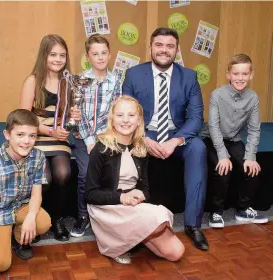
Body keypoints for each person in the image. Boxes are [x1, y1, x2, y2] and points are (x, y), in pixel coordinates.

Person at [123, 27, 209, 251]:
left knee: (198, 147)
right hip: (144, 134)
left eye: (170, 46)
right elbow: (125, 114)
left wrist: (175, 141)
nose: (164, 50)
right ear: (150, 47)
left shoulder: (189, 76)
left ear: (177, 50)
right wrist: (143, 139)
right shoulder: (133, 74)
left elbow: (196, 117)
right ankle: (131, 225)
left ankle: (192, 224)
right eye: (159, 45)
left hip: (174, 136)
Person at [86, 96, 184, 264]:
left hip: (132, 205)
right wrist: (122, 197)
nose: (125, 120)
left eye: (131, 115)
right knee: (160, 218)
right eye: (120, 115)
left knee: (177, 252)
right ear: (112, 119)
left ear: (139, 120)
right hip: (109, 208)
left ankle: (133, 238)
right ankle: (116, 242)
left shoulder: (140, 148)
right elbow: (90, 194)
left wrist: (140, 195)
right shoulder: (100, 148)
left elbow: (145, 188)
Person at [0, 109, 51, 272]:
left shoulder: (38, 157)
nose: (27, 141)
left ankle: (17, 235)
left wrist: (30, 216)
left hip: (21, 206)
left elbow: (37, 194)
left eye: (32, 136)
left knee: (43, 222)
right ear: (7, 135)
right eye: (20, 135)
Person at [20, 34, 81, 241]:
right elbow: (23, 119)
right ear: (43, 55)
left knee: (63, 174)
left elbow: (69, 118)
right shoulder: (32, 81)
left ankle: (57, 220)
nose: (58, 59)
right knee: (44, 178)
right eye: (53, 54)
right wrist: (49, 131)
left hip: (58, 140)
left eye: (62, 55)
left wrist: (74, 118)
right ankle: (37, 219)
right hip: (36, 138)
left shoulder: (69, 82)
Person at [202, 54, 268, 228]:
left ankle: (243, 209)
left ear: (251, 75)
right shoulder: (217, 95)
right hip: (213, 139)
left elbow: (254, 129)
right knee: (223, 169)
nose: (240, 78)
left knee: (252, 169)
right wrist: (223, 155)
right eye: (236, 74)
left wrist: (250, 156)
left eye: (244, 74)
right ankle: (216, 212)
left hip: (235, 139)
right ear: (229, 75)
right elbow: (214, 127)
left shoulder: (253, 97)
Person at [70, 34, 121, 237]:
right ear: (87, 57)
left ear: (110, 55)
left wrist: (104, 137)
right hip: (84, 137)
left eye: (103, 53)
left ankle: (105, 216)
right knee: (85, 173)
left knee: (112, 172)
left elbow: (115, 111)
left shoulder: (116, 80)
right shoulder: (80, 80)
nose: (100, 57)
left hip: (107, 135)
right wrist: (90, 140)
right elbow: (78, 114)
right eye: (95, 54)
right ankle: (83, 216)